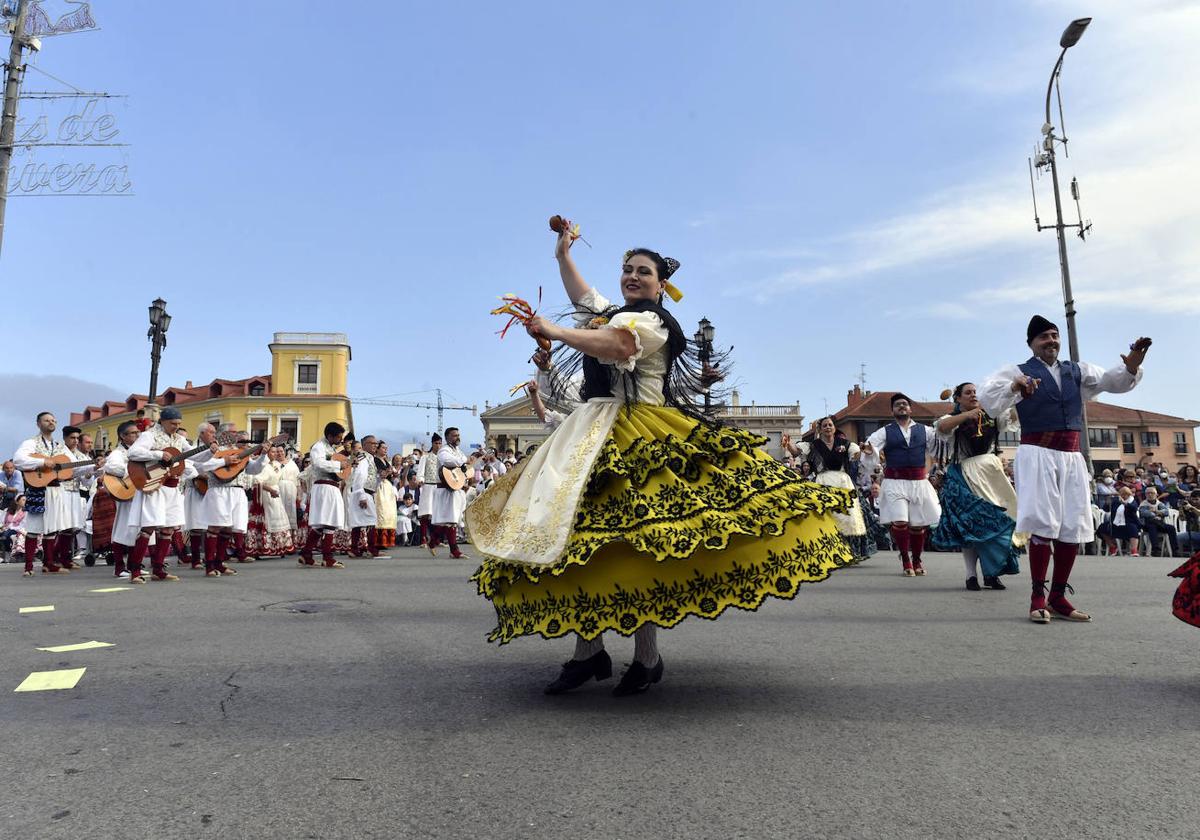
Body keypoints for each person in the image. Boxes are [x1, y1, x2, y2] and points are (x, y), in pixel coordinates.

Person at [464, 225, 852, 697]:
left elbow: (620, 346)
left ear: (660, 285)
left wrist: (553, 329)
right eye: (627, 270)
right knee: (577, 539)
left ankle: (646, 658)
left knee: (638, 544)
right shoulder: (615, 313)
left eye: (642, 272)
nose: (632, 277)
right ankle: (589, 653)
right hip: (589, 433)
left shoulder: (651, 323)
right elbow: (583, 295)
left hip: (641, 432)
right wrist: (562, 254)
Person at [980, 315, 1149, 623]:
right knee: (1044, 523)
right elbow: (988, 398)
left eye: (1055, 335)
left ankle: (1058, 597)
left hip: (1071, 456)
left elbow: (1113, 381)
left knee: (1071, 523)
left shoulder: (1076, 371)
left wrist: (1132, 366)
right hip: (1038, 453)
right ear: (1031, 343)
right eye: (1044, 336)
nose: (1052, 340)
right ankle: (1037, 597)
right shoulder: (1018, 371)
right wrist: (1014, 387)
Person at [930, 383, 1022, 591]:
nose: (973, 395)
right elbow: (942, 427)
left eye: (975, 392)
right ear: (958, 398)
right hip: (964, 472)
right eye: (968, 393)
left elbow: (1013, 417)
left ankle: (992, 573)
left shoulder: (992, 415)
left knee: (998, 522)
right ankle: (971, 575)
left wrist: (1015, 395)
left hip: (990, 473)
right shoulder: (952, 419)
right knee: (971, 525)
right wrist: (968, 414)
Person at [859, 394, 942, 576]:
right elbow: (871, 448)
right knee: (900, 521)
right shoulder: (885, 431)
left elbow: (939, 445)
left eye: (905, 404)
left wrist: (945, 426)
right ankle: (906, 559)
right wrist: (869, 449)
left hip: (919, 482)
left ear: (910, 409)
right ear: (892, 410)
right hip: (895, 482)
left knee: (918, 525)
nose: (902, 406)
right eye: (898, 405)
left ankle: (917, 559)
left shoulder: (925, 430)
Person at [126, 407, 207, 583]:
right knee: (148, 527)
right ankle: (135, 571)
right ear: (162, 421)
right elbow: (133, 452)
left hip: (172, 487)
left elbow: (196, 456)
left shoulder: (179, 438)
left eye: (178, 424)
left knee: (169, 528)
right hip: (154, 485)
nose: (176, 427)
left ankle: (158, 569)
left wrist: (211, 450)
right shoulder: (150, 435)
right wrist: (158, 454)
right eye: (173, 423)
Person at [781, 417, 873, 563]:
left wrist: (862, 451)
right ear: (820, 429)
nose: (828, 427)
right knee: (826, 518)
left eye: (830, 425)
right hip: (823, 481)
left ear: (834, 428)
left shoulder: (845, 443)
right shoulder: (813, 445)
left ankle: (849, 552)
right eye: (825, 425)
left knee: (847, 518)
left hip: (843, 482)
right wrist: (788, 444)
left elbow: (855, 456)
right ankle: (828, 552)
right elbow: (796, 452)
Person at [193, 428, 268, 576]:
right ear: (224, 435)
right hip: (219, 491)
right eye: (233, 433)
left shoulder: (243, 453)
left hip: (237, 492)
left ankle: (220, 562)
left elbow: (254, 470)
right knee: (215, 527)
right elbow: (200, 466)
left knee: (229, 529)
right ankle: (209, 565)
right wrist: (224, 461)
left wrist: (263, 455)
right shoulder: (216, 450)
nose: (237, 437)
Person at [13, 412, 79, 575]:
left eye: (53, 420)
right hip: (38, 488)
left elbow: (74, 466)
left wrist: (94, 467)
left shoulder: (59, 446)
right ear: (38, 424)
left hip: (56, 489)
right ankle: (28, 566)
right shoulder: (31, 443)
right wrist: (42, 462)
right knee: (34, 528)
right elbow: (18, 460)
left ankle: (48, 563)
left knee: (52, 528)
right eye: (47, 420)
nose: (51, 422)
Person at [298, 422, 348, 568]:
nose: (340, 440)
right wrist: (339, 466)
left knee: (321, 523)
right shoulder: (318, 446)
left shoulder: (331, 448)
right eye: (338, 437)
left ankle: (306, 554)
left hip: (330, 486)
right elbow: (318, 463)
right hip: (324, 485)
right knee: (329, 521)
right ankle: (328, 557)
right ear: (330, 435)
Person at [101, 421, 144, 578]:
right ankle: (119, 567)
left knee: (137, 529)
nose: (137, 435)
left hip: (138, 493)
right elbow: (111, 467)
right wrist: (132, 471)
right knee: (122, 529)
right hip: (125, 494)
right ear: (123, 436)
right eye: (133, 433)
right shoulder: (118, 453)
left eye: (138, 432)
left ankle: (134, 565)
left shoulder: (141, 451)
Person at [430, 427, 469, 559]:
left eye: (458, 435)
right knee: (450, 520)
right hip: (444, 489)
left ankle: (433, 540)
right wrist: (462, 462)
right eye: (454, 435)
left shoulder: (458, 450)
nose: (457, 437)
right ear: (447, 438)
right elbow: (446, 460)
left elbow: (464, 459)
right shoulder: (444, 450)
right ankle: (454, 551)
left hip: (455, 488)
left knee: (451, 520)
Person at [1098, 485, 1141, 556]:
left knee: (1133, 529)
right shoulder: (1116, 501)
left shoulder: (1132, 501)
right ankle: (1113, 546)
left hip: (1128, 522)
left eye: (1126, 494)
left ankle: (1134, 550)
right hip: (1115, 523)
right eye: (1122, 494)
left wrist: (1125, 503)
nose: (1124, 496)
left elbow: (1134, 509)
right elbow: (1106, 509)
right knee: (1102, 528)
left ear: (1129, 494)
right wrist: (1107, 503)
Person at [415, 435, 441, 548]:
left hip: (440, 487)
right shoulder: (425, 457)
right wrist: (420, 480)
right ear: (432, 444)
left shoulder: (443, 458)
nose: (438, 445)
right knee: (426, 513)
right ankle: (423, 539)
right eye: (436, 443)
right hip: (428, 486)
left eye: (440, 443)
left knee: (438, 514)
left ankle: (437, 540)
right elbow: (420, 472)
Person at [1139, 486, 1180, 557]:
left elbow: (1166, 512)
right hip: (1147, 525)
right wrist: (1156, 514)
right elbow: (1144, 513)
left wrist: (1155, 511)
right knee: (1152, 525)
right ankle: (1156, 550)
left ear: (1156, 494)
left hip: (1160, 524)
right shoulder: (1143, 504)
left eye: (1152, 493)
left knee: (1171, 528)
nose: (1150, 495)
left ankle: (1175, 550)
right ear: (1145, 495)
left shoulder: (1159, 503)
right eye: (1148, 493)